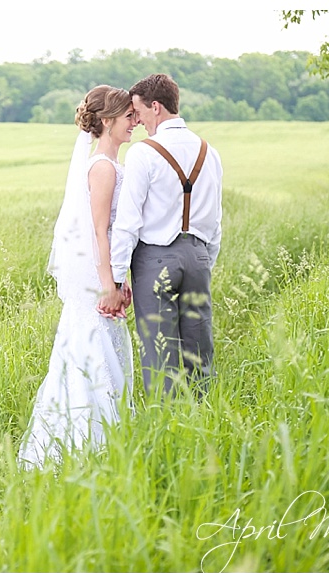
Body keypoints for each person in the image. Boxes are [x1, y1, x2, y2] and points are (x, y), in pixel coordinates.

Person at [18, 85, 137, 469]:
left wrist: (120, 279)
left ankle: (98, 441)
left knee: (96, 349)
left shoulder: (108, 164)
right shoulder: (102, 168)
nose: (134, 122)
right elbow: (99, 231)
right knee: (94, 351)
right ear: (107, 122)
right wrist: (109, 284)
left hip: (103, 273)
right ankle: (93, 442)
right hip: (95, 279)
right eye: (127, 117)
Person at [99, 74, 223, 398]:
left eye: (138, 112)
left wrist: (115, 278)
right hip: (198, 258)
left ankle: (166, 427)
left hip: (155, 260)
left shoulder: (143, 153)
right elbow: (215, 221)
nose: (137, 120)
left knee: (159, 357)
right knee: (200, 354)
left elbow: (128, 222)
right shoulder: (210, 152)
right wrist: (204, 262)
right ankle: (203, 422)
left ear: (155, 107)